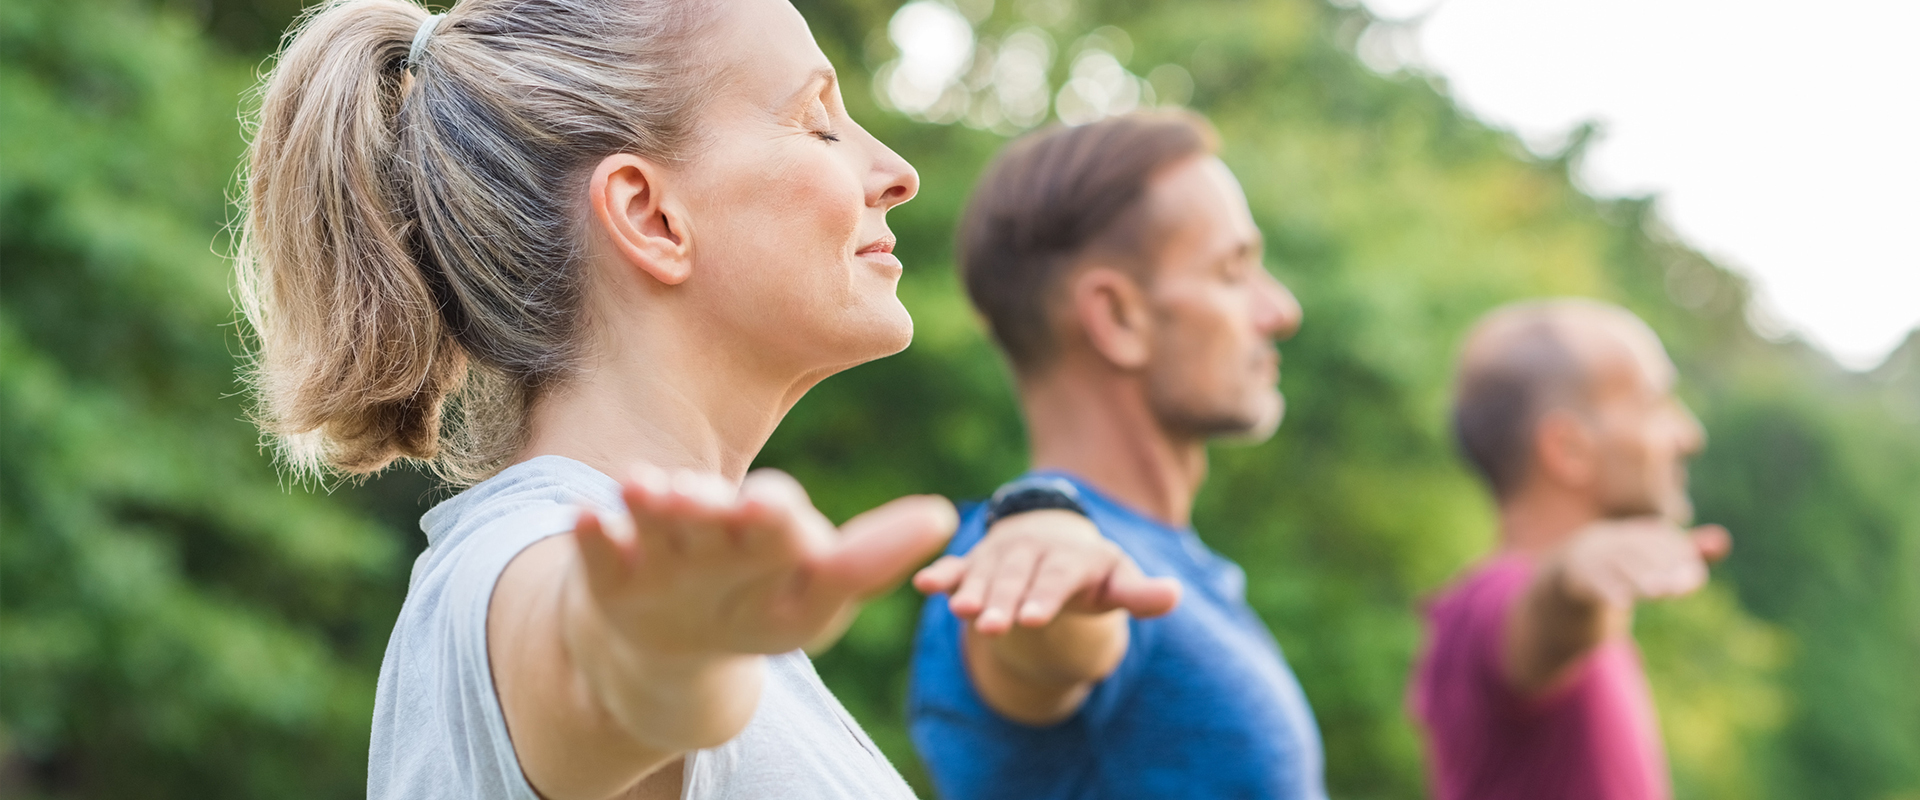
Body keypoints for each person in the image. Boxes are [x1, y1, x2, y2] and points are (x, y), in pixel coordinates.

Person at [235, 0, 958, 797]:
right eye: (818, 122)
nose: (897, 173)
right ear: (650, 217)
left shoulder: (714, 615)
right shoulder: (530, 563)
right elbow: (592, 668)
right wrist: (656, 653)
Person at [906, 112, 1327, 799]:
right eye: (1233, 271)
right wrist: (1053, 553)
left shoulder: (1170, 566)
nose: (1280, 309)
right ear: (1119, 317)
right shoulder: (1024, 563)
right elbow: (1048, 635)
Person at [1408, 299, 1732, 800]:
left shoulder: (1594, 624)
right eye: (1654, 403)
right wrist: (1572, 575)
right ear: (1569, 449)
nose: (1689, 435)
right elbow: (1545, 614)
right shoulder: (1486, 608)